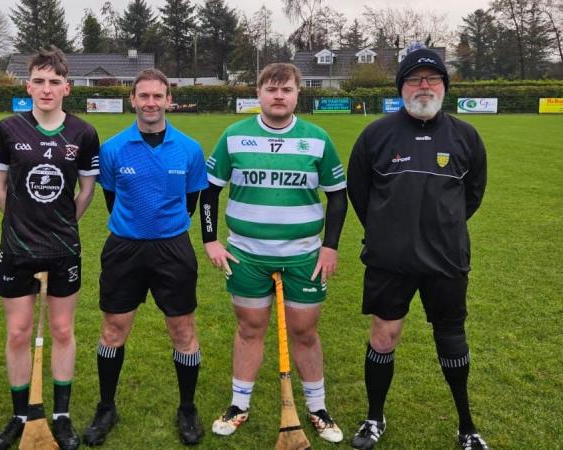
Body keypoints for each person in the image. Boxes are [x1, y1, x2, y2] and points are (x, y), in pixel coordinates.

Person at [346, 45, 488, 450]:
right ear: (401, 86)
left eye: (432, 78)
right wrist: (388, 231)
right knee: (383, 337)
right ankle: (374, 418)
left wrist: (441, 227)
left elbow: (472, 196)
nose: (423, 86)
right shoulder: (376, 135)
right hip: (390, 261)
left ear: (444, 85)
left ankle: (467, 426)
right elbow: (361, 194)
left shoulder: (465, 136)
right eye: (414, 78)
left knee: (451, 338)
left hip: (446, 260)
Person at [199, 62, 347, 444]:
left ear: (298, 94)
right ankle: (238, 404)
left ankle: (317, 407)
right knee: (250, 329)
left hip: (303, 254)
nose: (278, 96)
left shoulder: (317, 139)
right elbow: (210, 191)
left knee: (305, 331)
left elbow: (338, 197)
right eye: (271, 89)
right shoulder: (234, 136)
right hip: (247, 254)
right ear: (258, 94)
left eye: (286, 90)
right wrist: (211, 240)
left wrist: (329, 247)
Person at [81, 68, 208, 447]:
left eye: (158, 96)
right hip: (124, 247)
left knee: (182, 330)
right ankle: (106, 406)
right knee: (113, 329)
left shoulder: (189, 149)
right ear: (132, 100)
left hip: (173, 248)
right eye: (144, 96)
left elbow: (190, 202)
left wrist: (162, 229)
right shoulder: (113, 149)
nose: (151, 103)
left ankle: (187, 407)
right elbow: (111, 198)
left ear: (169, 100)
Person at [0, 46, 100, 450]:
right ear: (27, 86)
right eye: (39, 81)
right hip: (16, 247)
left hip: (63, 247)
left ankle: (62, 416)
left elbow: (86, 189)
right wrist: (16, 217)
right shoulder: (7, 129)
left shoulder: (83, 133)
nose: (47, 89)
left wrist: (65, 222)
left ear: (67, 87)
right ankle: (21, 415)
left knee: (62, 329)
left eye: (55, 82)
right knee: (17, 332)